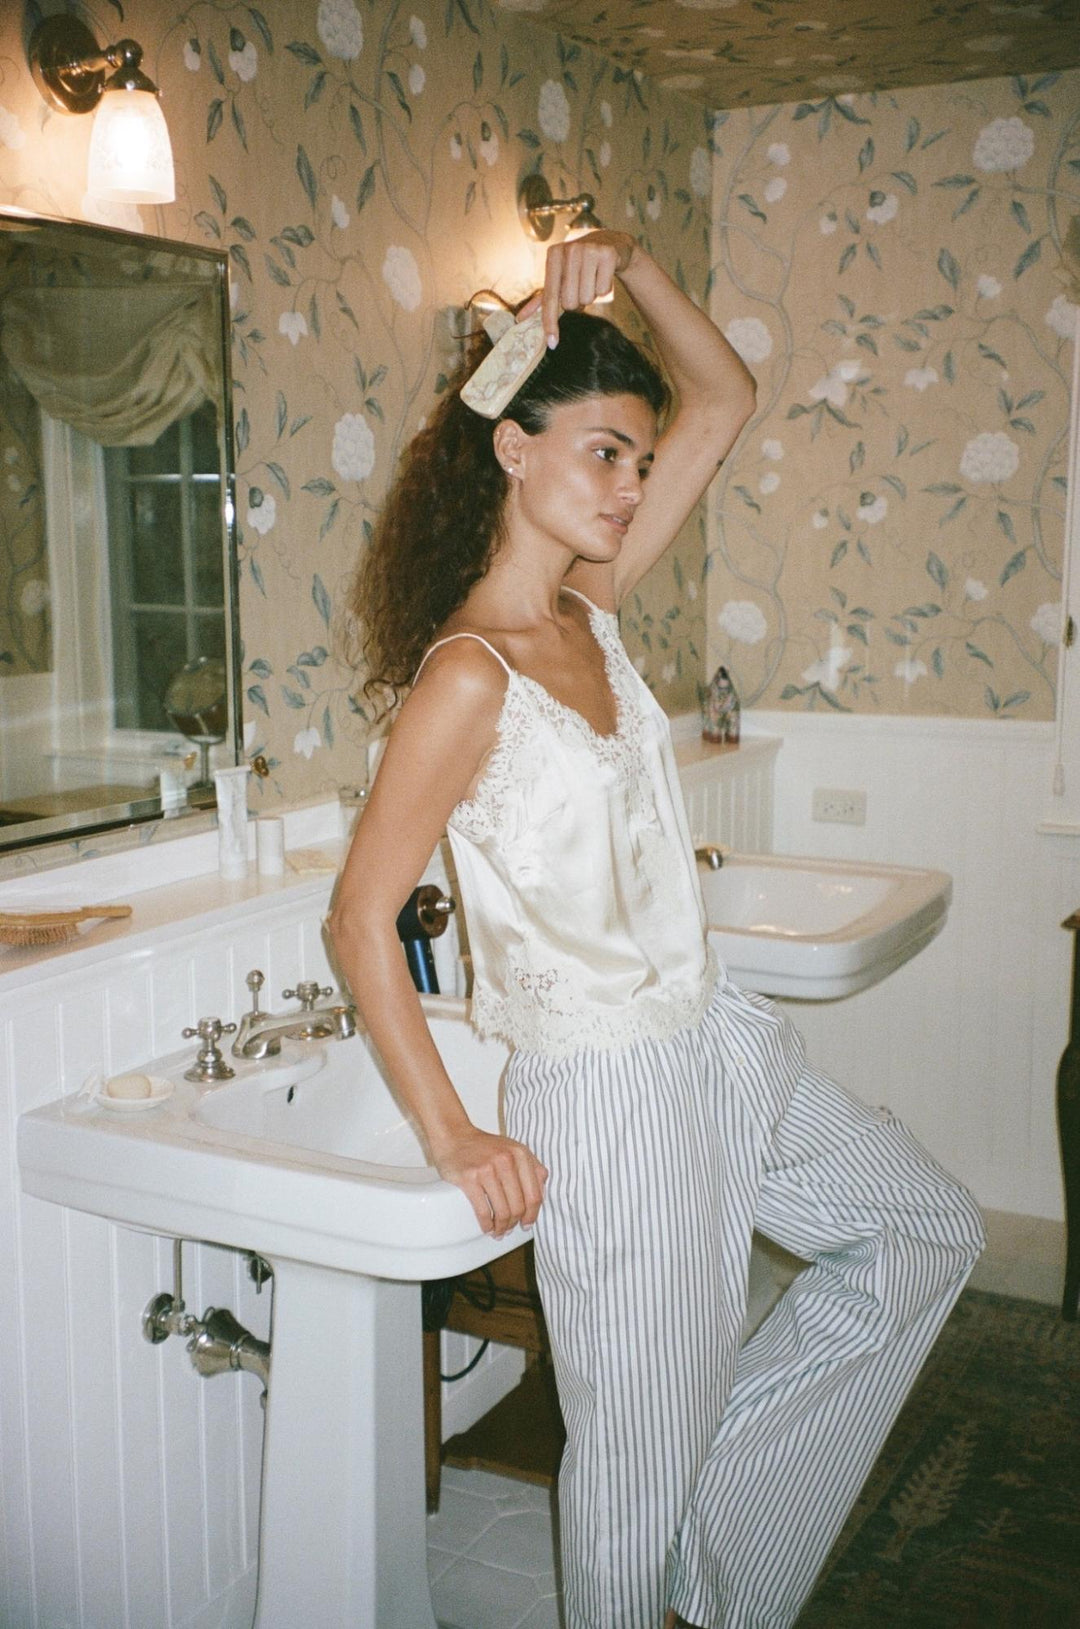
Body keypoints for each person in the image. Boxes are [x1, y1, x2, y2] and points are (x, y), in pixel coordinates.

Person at [329, 232, 985, 1629]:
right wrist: (458, 1133)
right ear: (514, 451)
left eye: (640, 458)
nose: (634, 484)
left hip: (721, 1037)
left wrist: (622, 271)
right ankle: (670, 1576)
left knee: (922, 1228)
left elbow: (728, 396)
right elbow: (357, 920)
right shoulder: (468, 674)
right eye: (606, 453)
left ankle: (719, 1568)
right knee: (630, 1479)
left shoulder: (593, 612)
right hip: (612, 1100)